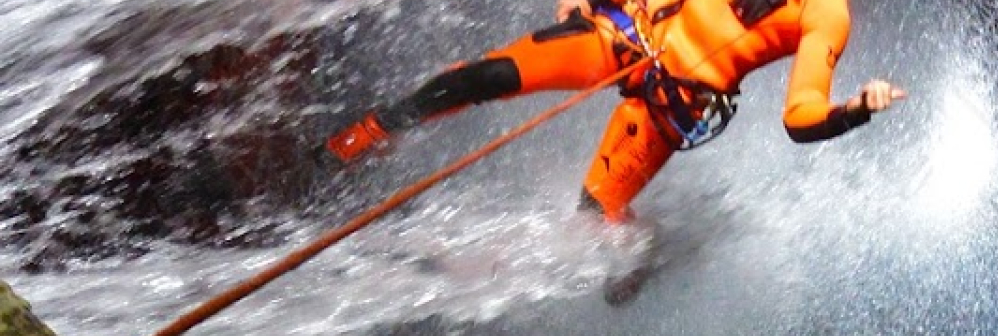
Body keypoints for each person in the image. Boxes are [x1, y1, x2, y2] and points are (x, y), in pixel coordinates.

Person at [323, 0, 907, 222]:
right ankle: (373, 131)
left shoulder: (827, 15)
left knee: (590, 217)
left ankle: (634, 247)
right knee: (491, 76)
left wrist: (853, 108)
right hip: (625, 36)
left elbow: (800, 115)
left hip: (674, 100)